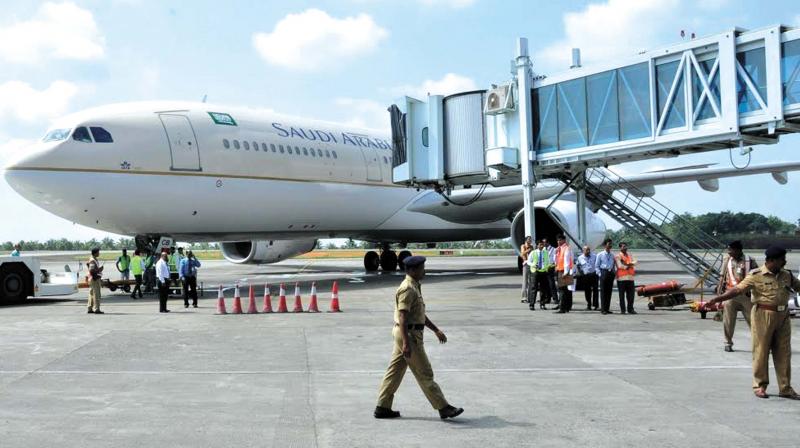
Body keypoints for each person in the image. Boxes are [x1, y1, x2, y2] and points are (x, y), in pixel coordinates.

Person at [375, 255, 463, 420]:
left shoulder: (414, 286)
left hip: (406, 333)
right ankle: (443, 407)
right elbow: (402, 317)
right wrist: (407, 343)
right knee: (424, 372)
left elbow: (419, 314)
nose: (424, 271)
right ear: (413, 270)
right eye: (422, 268)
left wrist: (435, 330)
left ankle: (382, 407)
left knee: (394, 372)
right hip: (408, 335)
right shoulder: (408, 288)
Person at [705, 246, 800, 400]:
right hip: (763, 314)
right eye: (782, 259)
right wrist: (718, 299)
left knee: (784, 353)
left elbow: (799, 287)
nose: (785, 261)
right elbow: (737, 290)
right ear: (771, 261)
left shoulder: (786, 275)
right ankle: (760, 386)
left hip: (783, 316)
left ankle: (785, 388)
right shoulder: (755, 275)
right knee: (761, 351)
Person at [715, 240, 757, 352]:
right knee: (728, 321)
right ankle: (728, 343)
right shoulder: (727, 260)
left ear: (738, 250)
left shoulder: (750, 261)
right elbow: (722, 276)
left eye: (731, 250)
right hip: (730, 296)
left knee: (753, 321)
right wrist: (720, 292)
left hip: (746, 296)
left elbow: (757, 277)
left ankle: (760, 344)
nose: (729, 252)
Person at [528, 239, 552, 310]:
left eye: (542, 244)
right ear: (537, 245)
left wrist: (548, 267)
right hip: (535, 272)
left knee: (543, 289)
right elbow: (528, 261)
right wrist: (533, 264)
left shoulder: (546, 252)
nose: (542, 246)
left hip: (543, 272)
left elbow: (547, 262)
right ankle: (532, 304)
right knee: (534, 288)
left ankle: (542, 304)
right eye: (540, 244)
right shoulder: (533, 252)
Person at [594, 238, 616, 315]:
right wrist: (600, 274)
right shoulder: (600, 254)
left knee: (609, 291)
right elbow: (596, 266)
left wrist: (613, 273)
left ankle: (607, 308)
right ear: (605, 245)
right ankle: (603, 309)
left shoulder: (613, 255)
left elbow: (613, 265)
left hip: (610, 274)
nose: (610, 245)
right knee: (603, 292)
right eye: (609, 244)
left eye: (611, 244)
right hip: (603, 272)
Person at [616, 242, 637, 314]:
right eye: (624, 246)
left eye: (626, 246)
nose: (625, 248)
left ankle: (630, 309)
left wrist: (626, 264)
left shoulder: (630, 255)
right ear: (620, 248)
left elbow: (635, 262)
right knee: (622, 296)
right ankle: (623, 310)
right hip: (622, 279)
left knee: (631, 295)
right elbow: (619, 266)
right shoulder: (618, 256)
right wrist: (628, 266)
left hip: (630, 278)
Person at [555, 234, 574, 314]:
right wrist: (556, 253)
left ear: (564, 240)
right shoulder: (560, 249)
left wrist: (565, 272)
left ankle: (562, 308)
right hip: (563, 270)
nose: (558, 242)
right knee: (567, 290)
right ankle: (567, 307)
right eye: (558, 240)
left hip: (564, 271)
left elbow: (567, 260)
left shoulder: (566, 248)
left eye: (560, 240)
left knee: (562, 290)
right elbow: (556, 260)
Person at [577, 245, 599, 311]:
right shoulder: (580, 258)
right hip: (586, 276)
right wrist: (581, 273)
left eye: (589, 250)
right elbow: (578, 266)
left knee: (595, 290)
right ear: (583, 250)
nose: (588, 251)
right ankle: (589, 304)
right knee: (587, 291)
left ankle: (595, 305)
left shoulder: (595, 256)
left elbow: (597, 264)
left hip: (594, 275)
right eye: (586, 250)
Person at [86, 248, 104, 314]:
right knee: (97, 294)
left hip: (92, 279)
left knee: (91, 294)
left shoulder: (93, 259)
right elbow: (91, 270)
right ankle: (97, 309)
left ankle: (90, 308)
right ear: (95, 253)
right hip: (94, 279)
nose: (99, 253)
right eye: (98, 252)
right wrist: (99, 270)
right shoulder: (93, 260)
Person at [543, 238, 559, 306]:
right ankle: (547, 298)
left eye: (545, 242)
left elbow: (555, 259)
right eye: (543, 243)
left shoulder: (553, 249)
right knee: (546, 284)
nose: (544, 244)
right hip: (544, 269)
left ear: (548, 242)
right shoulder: (543, 250)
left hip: (551, 268)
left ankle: (555, 298)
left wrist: (555, 267)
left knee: (552, 284)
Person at [519, 236, 534, 304]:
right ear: (526, 240)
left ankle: (530, 297)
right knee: (525, 281)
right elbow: (522, 254)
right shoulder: (523, 246)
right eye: (529, 239)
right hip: (526, 264)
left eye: (531, 239)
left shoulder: (532, 247)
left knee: (531, 281)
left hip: (531, 264)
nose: (530, 240)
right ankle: (524, 297)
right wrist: (528, 250)